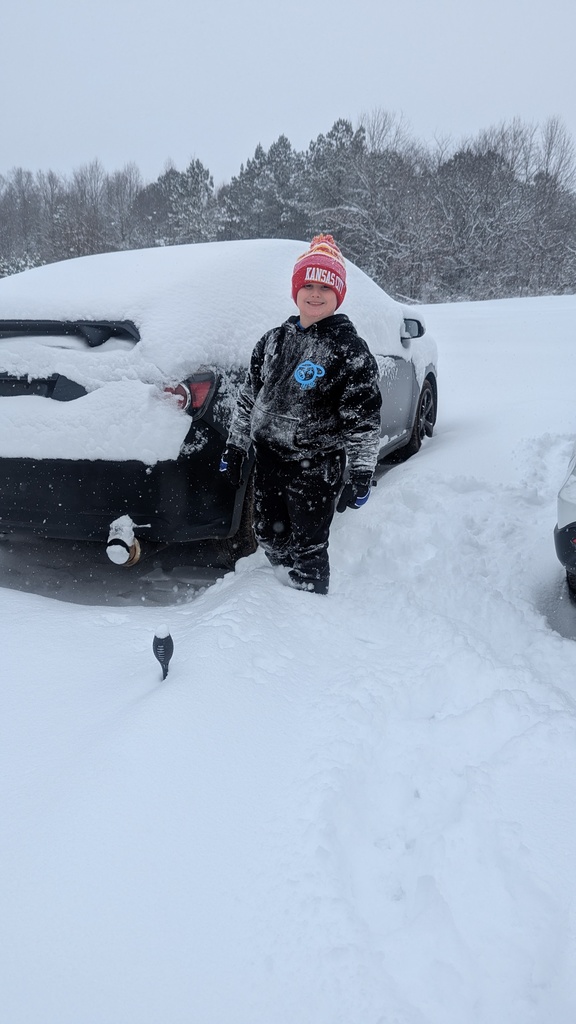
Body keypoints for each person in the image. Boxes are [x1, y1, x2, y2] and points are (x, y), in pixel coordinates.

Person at [219, 234, 382, 595]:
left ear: (338, 294)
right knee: (266, 531)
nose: (314, 293)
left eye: (325, 286)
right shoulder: (273, 341)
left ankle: (306, 604)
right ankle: (282, 582)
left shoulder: (348, 350)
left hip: (316, 466)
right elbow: (249, 397)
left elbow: (363, 419)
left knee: (308, 544)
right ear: (295, 290)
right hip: (269, 460)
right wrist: (236, 446)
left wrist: (361, 471)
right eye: (307, 284)